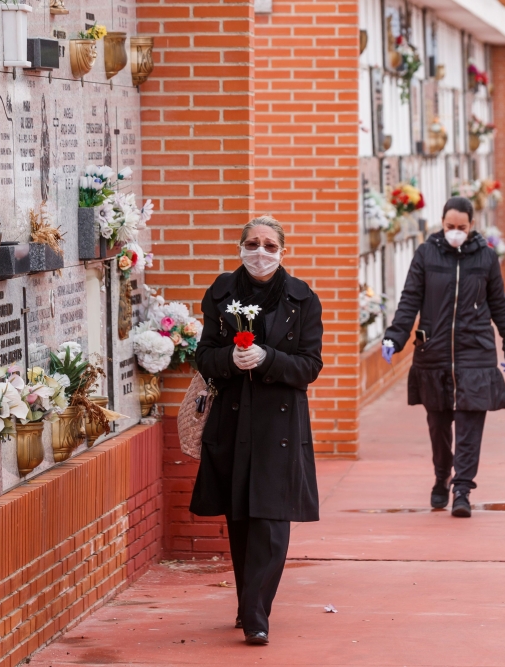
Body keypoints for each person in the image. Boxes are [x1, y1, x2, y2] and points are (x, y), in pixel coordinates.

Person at [191, 215, 323, 645]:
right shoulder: (221, 292)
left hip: (279, 423)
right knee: (241, 517)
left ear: (282, 250)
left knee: (271, 518)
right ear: (240, 247)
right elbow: (204, 355)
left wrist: (267, 360)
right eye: (252, 243)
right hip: (233, 420)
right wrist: (232, 359)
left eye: (269, 245)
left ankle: (255, 614)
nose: (260, 252)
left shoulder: (303, 299)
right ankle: (250, 601)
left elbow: (309, 366)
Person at [381, 197, 505, 518]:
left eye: (461, 228)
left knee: (471, 425)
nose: (455, 233)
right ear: (441, 224)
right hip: (435, 353)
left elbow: (499, 303)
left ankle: (462, 489)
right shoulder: (426, 254)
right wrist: (395, 336)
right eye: (449, 227)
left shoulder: (486, 258)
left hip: (476, 353)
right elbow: (410, 300)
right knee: (439, 425)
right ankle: (441, 475)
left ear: (471, 226)